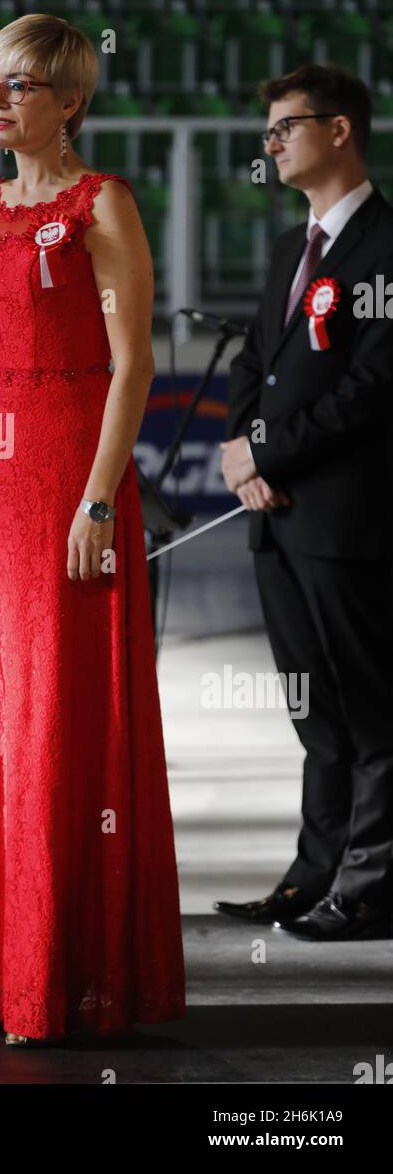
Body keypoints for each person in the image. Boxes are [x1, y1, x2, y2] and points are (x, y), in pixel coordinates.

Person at [0, 13, 185, 1045]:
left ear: (69, 99)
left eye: (16, 85)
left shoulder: (100, 202)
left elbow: (134, 366)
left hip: (68, 474)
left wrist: (92, 496)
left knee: (56, 718)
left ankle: (63, 975)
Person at [218, 63, 393, 941]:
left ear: (339, 131)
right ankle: (315, 871)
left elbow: (373, 388)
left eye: (287, 127)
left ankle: (371, 887)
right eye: (269, 131)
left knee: (369, 708)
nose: (273, 144)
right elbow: (257, 363)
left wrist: (265, 448)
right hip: (277, 517)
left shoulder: (387, 248)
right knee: (313, 710)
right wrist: (242, 451)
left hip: (347, 518)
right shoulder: (295, 248)